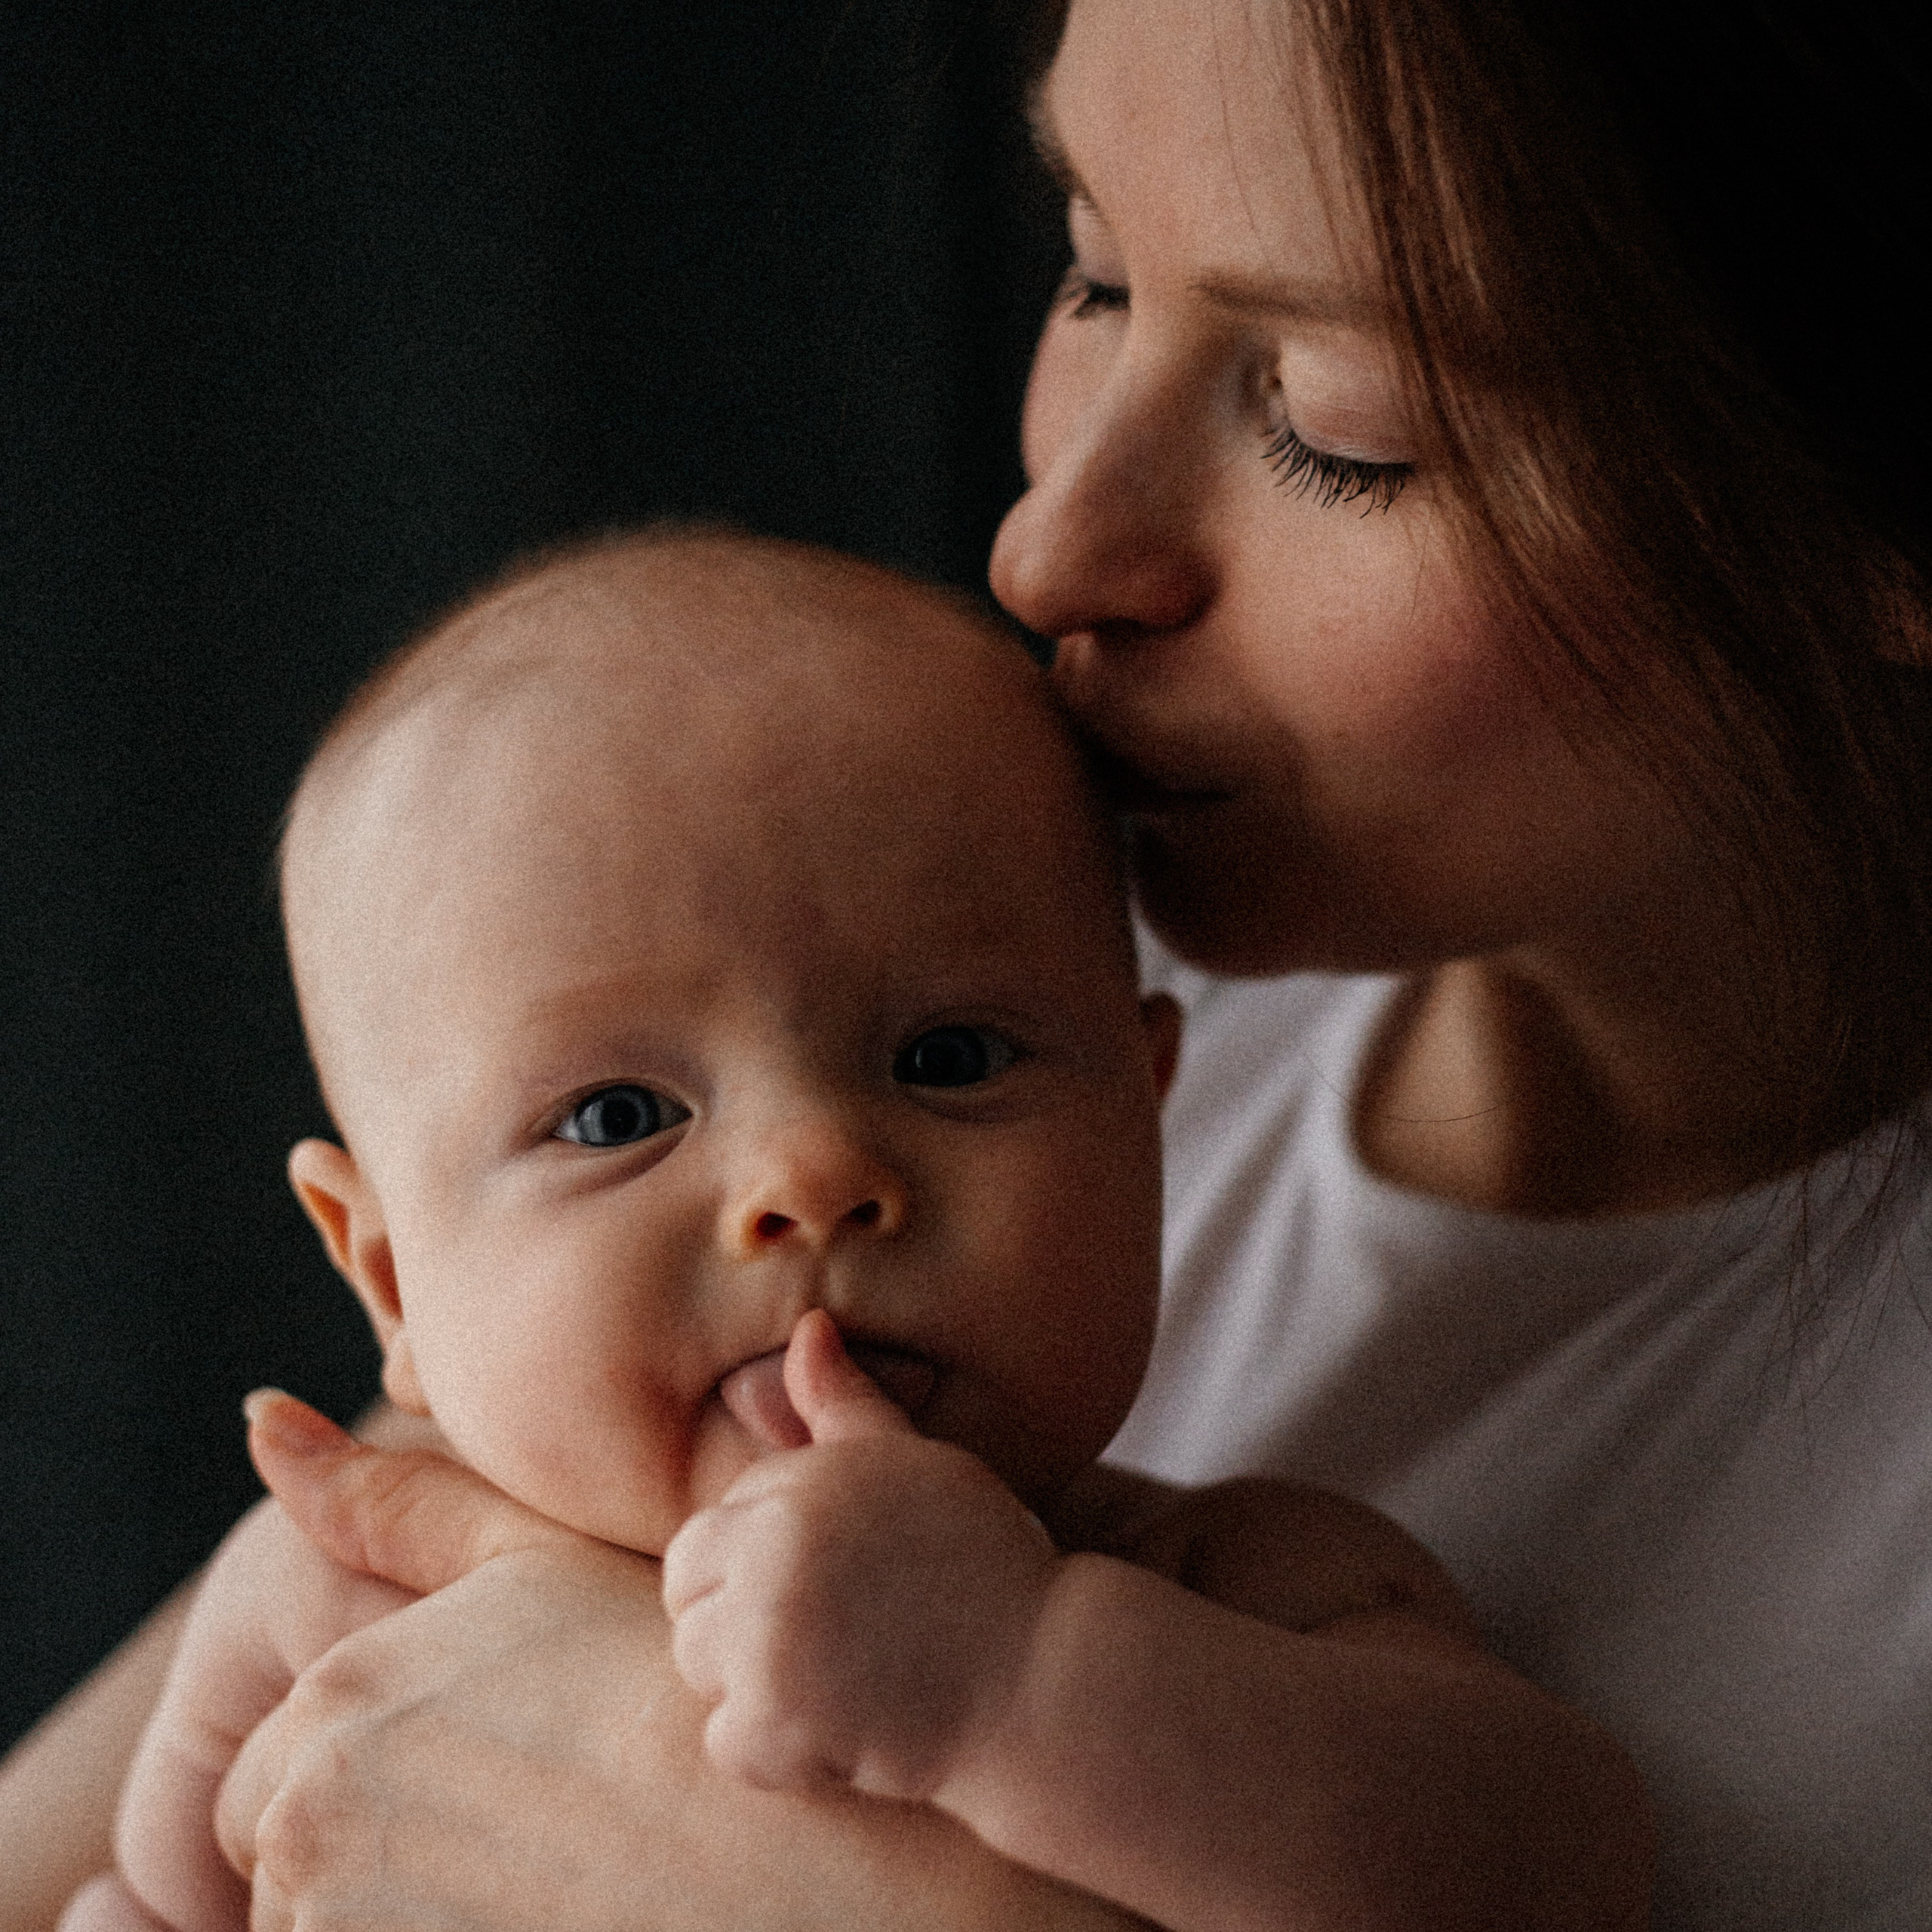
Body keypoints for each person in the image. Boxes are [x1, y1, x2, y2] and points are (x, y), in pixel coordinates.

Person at [4, 0, 1927, 1925]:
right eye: (1090, 273)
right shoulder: (964, 997)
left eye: (1340, 428)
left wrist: (979, 1734)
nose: (1041, 548)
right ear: (388, 1273)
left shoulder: (1174, 1511)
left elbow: (1530, 1861)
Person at [55, 527, 1641, 1932]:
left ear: (1149, 1120)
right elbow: (147, 1891)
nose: (811, 1173)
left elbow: (1553, 1870)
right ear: (386, 1273)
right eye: (617, 1115)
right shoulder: (331, 1584)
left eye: (946, 1058)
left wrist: (1021, 1679)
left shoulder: (1215, 1586)